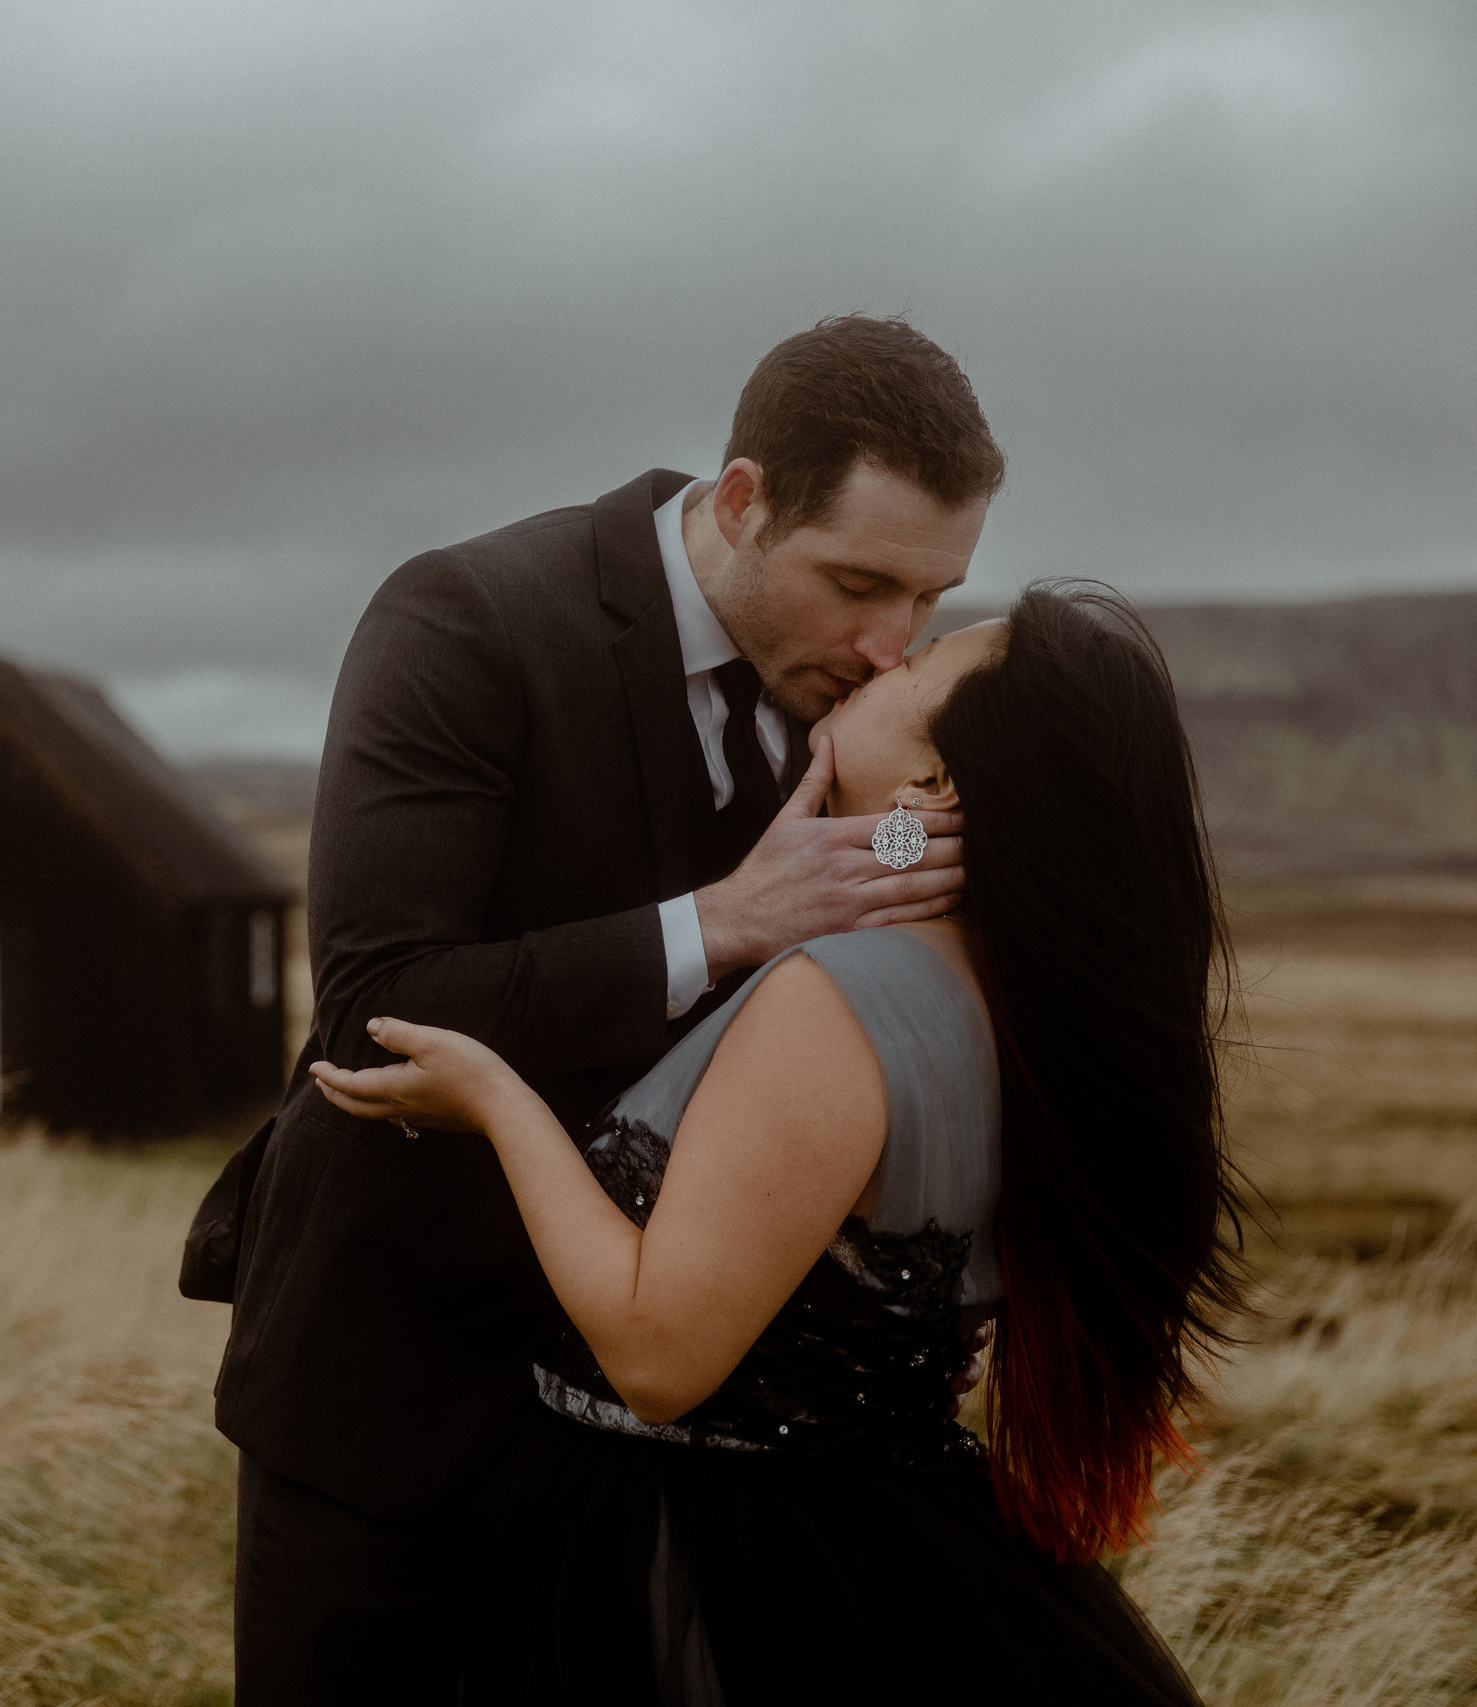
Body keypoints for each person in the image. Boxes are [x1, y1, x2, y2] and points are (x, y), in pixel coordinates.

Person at [187, 317, 1006, 1701]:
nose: (890, 647)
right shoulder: (465, 620)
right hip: (398, 1384)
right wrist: (727, 921)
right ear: (743, 502)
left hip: (667, 1438)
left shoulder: (862, 714)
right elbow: (375, 1003)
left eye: (931, 601)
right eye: (860, 582)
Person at [311, 585, 1244, 1703]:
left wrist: (497, 1099)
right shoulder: (991, 990)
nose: (888, 652)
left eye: (925, 658)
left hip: (697, 1555)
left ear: (940, 782)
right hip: (868, 1549)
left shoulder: (841, 998)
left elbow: (657, 1359)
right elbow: (906, 851)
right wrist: (861, 840)